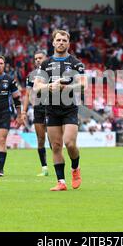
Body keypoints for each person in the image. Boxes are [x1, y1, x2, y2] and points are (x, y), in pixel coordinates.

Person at [34, 30, 86, 191]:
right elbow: (37, 86)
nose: (61, 42)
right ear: (53, 43)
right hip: (51, 109)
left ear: (68, 43)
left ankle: (75, 169)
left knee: (70, 143)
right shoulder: (46, 63)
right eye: (58, 40)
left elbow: (83, 84)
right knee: (56, 146)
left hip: (69, 108)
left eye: (64, 40)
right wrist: (48, 86)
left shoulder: (75, 63)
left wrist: (67, 87)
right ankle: (61, 182)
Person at [23, 50, 50, 177]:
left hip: (52, 107)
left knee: (53, 139)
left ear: (46, 58)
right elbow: (28, 94)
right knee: (40, 139)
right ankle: (44, 167)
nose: (38, 60)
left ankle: (58, 165)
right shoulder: (31, 76)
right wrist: (24, 110)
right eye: (36, 58)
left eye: (40, 58)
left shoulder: (52, 72)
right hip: (38, 109)